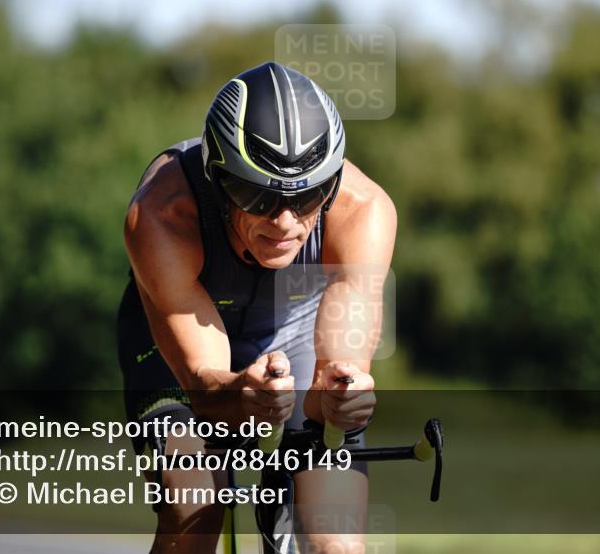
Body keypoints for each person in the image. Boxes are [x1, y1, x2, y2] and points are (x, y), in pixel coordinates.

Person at [117, 61, 396, 553]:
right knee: (194, 507)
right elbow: (205, 388)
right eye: (258, 195)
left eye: (308, 195)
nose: (286, 221)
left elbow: (335, 372)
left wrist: (339, 396)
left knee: (337, 544)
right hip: (179, 348)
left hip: (297, 331)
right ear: (218, 179)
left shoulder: (364, 210)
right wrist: (236, 395)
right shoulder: (162, 215)